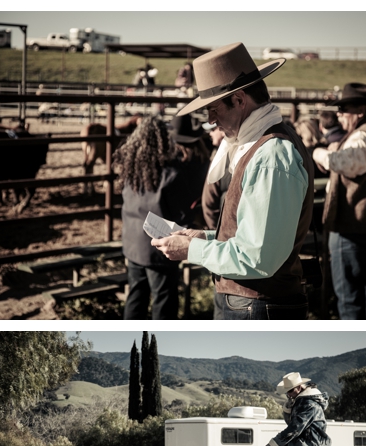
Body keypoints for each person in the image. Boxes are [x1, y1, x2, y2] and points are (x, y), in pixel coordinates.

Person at [150, 42, 314, 320]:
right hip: (255, 302)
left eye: (214, 109)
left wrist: (193, 249)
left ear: (239, 100)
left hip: (256, 304)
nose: (211, 121)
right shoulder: (264, 148)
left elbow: (257, 258)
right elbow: (256, 239)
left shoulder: (269, 156)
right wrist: (206, 237)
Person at [312, 83, 366, 320]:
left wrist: (319, 153)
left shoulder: (363, 135)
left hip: (352, 227)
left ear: (359, 111)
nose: (339, 114)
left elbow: (348, 164)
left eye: (344, 109)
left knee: (349, 298)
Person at [117, 115, 208, 319]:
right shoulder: (170, 172)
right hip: (159, 246)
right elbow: (181, 211)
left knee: (136, 296)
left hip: (132, 244)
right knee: (164, 299)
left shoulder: (131, 170)